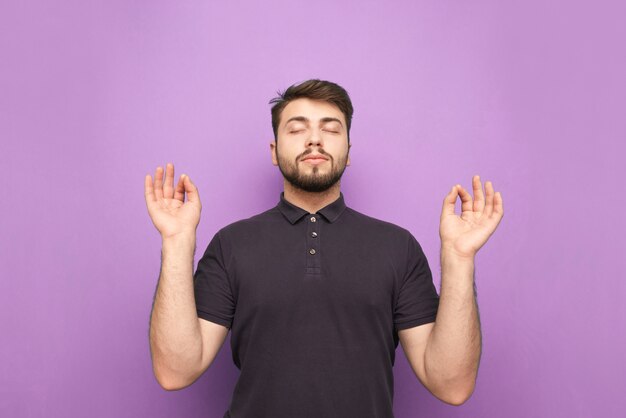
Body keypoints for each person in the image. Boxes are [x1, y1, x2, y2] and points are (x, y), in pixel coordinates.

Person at [144, 79, 504, 418]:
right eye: (297, 129)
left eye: (331, 129)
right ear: (274, 150)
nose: (314, 140)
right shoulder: (231, 244)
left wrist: (459, 259)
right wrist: (176, 243)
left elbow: (451, 384)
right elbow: (175, 372)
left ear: (347, 151)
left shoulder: (398, 247)